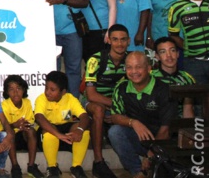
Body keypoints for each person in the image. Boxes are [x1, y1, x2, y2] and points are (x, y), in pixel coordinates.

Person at [108, 52, 177, 178]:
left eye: (138, 67)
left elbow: (166, 128)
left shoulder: (164, 90)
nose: (134, 71)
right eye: (129, 67)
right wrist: (133, 122)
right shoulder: (121, 87)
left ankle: (152, 168)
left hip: (163, 141)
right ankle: (138, 172)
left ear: (149, 68)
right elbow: (115, 116)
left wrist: (151, 153)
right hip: (140, 140)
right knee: (115, 132)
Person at [38, 0, 89, 97]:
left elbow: (84, 1)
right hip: (49, 30)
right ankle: (52, 102)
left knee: (73, 68)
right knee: (52, 68)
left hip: (71, 29)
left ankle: (72, 101)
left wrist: (62, 0)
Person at [83, 24, 130, 178]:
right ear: (108, 40)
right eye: (115, 39)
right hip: (92, 101)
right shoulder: (95, 60)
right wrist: (116, 106)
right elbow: (91, 95)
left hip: (117, 103)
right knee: (98, 109)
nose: (119, 43)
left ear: (129, 41)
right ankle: (98, 162)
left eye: (123, 40)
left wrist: (118, 110)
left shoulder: (131, 60)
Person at [34, 71, 90, 178]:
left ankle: (76, 167)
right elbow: (39, 118)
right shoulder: (41, 99)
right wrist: (58, 134)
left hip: (66, 137)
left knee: (83, 128)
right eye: (46, 88)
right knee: (49, 129)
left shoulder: (70, 98)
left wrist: (79, 130)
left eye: (52, 90)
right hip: (47, 136)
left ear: (63, 92)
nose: (48, 92)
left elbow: (84, 116)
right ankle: (52, 167)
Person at [168, 0, 209, 83]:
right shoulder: (177, 8)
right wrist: (188, 47)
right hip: (193, 63)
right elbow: (173, 34)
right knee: (195, 96)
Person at [0, 75, 43, 178]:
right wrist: (15, 124)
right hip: (10, 140)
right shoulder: (4, 105)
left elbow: (30, 121)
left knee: (30, 131)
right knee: (10, 133)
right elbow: (3, 126)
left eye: (18, 88)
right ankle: (15, 167)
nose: (15, 92)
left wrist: (23, 125)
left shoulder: (27, 102)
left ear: (23, 90)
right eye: (11, 89)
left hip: (24, 136)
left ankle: (31, 166)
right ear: (6, 92)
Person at [152, 37, 194, 118]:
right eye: (163, 52)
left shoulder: (187, 78)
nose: (169, 55)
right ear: (157, 56)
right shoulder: (150, 78)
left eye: (172, 50)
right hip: (155, 124)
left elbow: (188, 111)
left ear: (178, 54)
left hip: (180, 124)